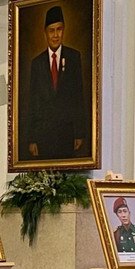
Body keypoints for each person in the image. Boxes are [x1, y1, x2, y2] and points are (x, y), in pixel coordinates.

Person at [26, 6, 87, 160]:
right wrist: (32, 139)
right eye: (51, 30)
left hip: (67, 133)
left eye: (59, 29)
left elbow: (78, 97)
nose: (55, 35)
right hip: (43, 134)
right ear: (45, 32)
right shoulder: (37, 63)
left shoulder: (73, 57)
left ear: (64, 30)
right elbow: (33, 102)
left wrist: (79, 133)